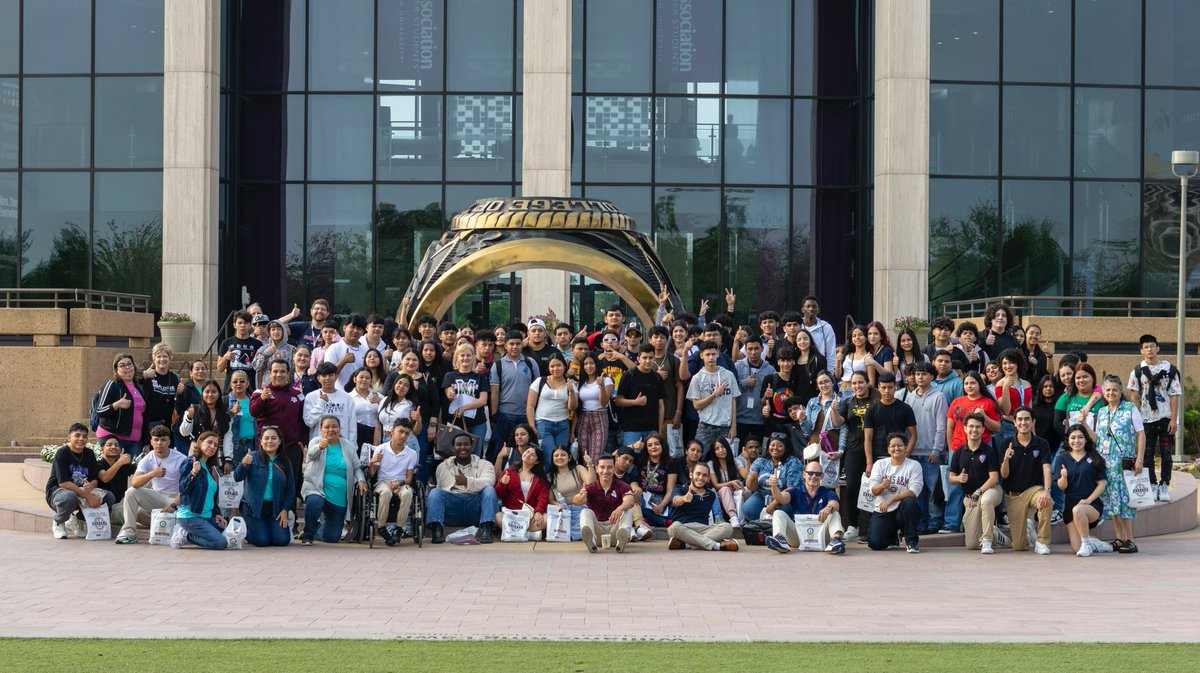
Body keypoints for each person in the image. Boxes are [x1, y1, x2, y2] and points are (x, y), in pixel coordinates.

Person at [1088, 375, 1145, 553]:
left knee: (1125, 502)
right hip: (1106, 464)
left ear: (1121, 392)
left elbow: (1141, 434)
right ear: (1103, 393)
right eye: (1108, 390)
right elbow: (1098, 439)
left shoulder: (1130, 408)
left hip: (1125, 464)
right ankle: (1119, 538)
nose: (1111, 393)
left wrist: (1140, 459)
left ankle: (1130, 540)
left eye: (1114, 389)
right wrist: (1084, 424)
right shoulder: (1102, 412)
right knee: (1113, 502)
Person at [1127, 334, 1181, 502]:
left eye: (1152, 346)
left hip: (1165, 417)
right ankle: (1152, 483)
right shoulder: (1137, 371)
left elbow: (1174, 395)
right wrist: (1135, 420)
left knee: (1166, 453)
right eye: (1146, 346)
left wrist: (1174, 419)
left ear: (1157, 348)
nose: (1149, 349)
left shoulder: (1169, 370)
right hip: (1145, 419)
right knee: (1147, 453)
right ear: (1141, 350)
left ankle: (1164, 483)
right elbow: (1134, 396)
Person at [299, 415, 367, 545]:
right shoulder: (316, 442)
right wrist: (320, 447)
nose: (331, 429)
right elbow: (310, 455)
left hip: (339, 496)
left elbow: (357, 467)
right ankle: (308, 535)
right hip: (316, 489)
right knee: (314, 501)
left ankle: (317, 529)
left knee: (332, 537)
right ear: (321, 429)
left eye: (334, 426)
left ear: (340, 429)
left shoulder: (348, 446)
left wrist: (361, 480)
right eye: (327, 427)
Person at [897, 362, 947, 535]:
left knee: (934, 491)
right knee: (918, 491)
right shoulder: (909, 397)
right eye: (917, 374)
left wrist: (936, 449)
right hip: (913, 452)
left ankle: (935, 522)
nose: (920, 377)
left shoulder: (938, 397)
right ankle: (921, 523)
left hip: (931, 454)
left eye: (924, 374)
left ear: (932, 376)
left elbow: (942, 426)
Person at [115, 424, 186, 544]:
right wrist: (153, 473)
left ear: (169, 441)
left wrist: (173, 505)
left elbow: (186, 488)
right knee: (132, 494)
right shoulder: (148, 458)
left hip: (175, 499)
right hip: (157, 497)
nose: (159, 443)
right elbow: (135, 483)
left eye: (163, 440)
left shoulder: (181, 459)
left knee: (139, 512)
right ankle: (129, 532)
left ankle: (173, 522)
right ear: (151, 442)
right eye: (156, 440)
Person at [427, 434, 499, 544]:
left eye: (466, 444)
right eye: (458, 445)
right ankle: (437, 530)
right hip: (453, 508)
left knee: (489, 490)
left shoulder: (485, 464)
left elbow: (489, 482)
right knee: (435, 493)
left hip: (475, 506)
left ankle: (486, 529)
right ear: (452, 448)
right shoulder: (442, 466)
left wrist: (467, 481)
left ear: (473, 446)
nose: (463, 447)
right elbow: (441, 490)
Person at [250, 359, 307, 499]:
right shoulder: (260, 392)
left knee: (290, 486)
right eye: (275, 371)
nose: (279, 374)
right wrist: (262, 399)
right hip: (267, 448)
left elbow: (303, 420)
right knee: (266, 485)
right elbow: (253, 411)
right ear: (269, 373)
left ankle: (289, 517)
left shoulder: (297, 394)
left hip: (291, 448)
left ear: (288, 374)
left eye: (282, 371)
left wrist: (303, 441)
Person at [1053, 424, 1113, 557]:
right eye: (1073, 438)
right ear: (1068, 440)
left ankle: (1086, 542)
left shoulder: (1094, 457)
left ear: (1086, 439)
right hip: (1070, 505)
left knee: (1078, 510)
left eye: (1080, 437)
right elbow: (1061, 486)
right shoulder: (1062, 458)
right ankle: (1092, 543)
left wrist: (1088, 500)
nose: (1076, 441)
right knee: (1076, 548)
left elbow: (1102, 484)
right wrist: (1063, 476)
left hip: (1091, 504)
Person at [830, 370, 876, 540]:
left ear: (867, 383)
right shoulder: (848, 402)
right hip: (854, 450)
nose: (857, 386)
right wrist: (834, 410)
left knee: (874, 488)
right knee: (852, 488)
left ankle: (872, 526)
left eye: (861, 382)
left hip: (874, 450)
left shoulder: (875, 401)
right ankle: (853, 526)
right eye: (854, 383)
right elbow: (838, 422)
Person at [764, 458, 845, 554]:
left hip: (822, 537)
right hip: (798, 537)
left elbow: (835, 503)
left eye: (818, 474)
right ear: (804, 474)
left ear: (822, 476)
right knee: (778, 513)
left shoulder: (827, 492)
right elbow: (781, 498)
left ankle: (835, 541)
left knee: (834, 513)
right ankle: (779, 540)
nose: (814, 476)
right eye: (810, 473)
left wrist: (828, 508)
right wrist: (773, 486)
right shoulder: (796, 491)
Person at [1000, 407, 1053, 554]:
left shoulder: (1041, 443)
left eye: (1027, 419)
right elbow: (1004, 475)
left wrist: (1047, 491)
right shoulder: (1006, 443)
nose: (1024, 422)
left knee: (1046, 501)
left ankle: (1042, 541)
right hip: (1013, 494)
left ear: (1033, 422)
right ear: (1015, 423)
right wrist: (1006, 459)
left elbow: (1047, 469)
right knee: (1019, 546)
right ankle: (1028, 527)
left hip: (1034, 490)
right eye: (1020, 419)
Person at [949, 413, 1003, 554]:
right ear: (965, 428)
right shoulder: (959, 452)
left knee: (986, 500)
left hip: (991, 491)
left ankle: (987, 539)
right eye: (971, 426)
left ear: (983, 429)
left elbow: (994, 478)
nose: (974, 430)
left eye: (978, 427)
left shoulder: (989, 451)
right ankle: (994, 532)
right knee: (972, 545)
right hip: (970, 499)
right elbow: (950, 477)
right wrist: (958, 478)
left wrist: (978, 492)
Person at [233, 426, 294, 547]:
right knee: (262, 541)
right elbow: (237, 477)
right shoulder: (253, 457)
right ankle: (248, 530)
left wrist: (285, 509)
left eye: (273, 438)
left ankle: (268, 529)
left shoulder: (285, 461)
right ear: (260, 441)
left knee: (282, 541)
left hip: (275, 509)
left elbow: (291, 488)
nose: (269, 441)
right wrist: (244, 464)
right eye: (266, 438)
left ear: (279, 441)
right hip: (253, 509)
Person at [45, 423, 109, 539]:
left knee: (108, 497)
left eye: (84, 436)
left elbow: (94, 479)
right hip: (59, 492)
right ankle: (59, 522)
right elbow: (63, 482)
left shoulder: (89, 454)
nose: (81, 439)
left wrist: (91, 486)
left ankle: (76, 521)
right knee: (70, 497)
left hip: (82, 492)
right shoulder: (62, 453)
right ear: (69, 438)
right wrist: (88, 496)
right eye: (77, 435)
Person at [865, 433, 924, 553]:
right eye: (893, 446)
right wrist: (882, 486)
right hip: (883, 509)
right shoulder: (880, 464)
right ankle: (893, 536)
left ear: (906, 447)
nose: (896, 448)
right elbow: (873, 491)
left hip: (902, 510)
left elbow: (914, 491)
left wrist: (892, 499)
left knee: (910, 503)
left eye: (900, 445)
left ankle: (911, 542)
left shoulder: (914, 465)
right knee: (875, 544)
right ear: (888, 449)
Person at [174, 432, 229, 549]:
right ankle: (184, 535)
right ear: (200, 443)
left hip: (207, 516)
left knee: (227, 536)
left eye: (215, 445)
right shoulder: (190, 462)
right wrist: (193, 473)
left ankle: (191, 533)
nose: (212, 446)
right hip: (190, 516)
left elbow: (210, 496)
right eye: (209, 442)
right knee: (220, 543)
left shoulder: (209, 467)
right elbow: (183, 489)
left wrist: (217, 514)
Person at [666, 462, 739, 551]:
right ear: (691, 474)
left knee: (727, 527)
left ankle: (687, 545)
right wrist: (683, 498)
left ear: (708, 479)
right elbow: (676, 500)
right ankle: (717, 546)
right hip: (683, 528)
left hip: (703, 529)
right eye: (698, 474)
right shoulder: (680, 489)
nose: (700, 478)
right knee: (674, 527)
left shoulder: (711, 495)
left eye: (704, 475)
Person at [490, 331, 540, 456]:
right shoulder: (498, 365)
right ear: (505, 345)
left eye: (518, 343)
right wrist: (494, 415)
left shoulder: (531, 363)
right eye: (511, 344)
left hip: (526, 415)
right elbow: (494, 393)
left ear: (522, 345)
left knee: (526, 451)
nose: (514, 347)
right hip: (506, 415)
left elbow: (537, 390)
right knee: (505, 450)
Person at [368, 421, 419, 546]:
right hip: (383, 481)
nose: (403, 436)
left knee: (407, 493)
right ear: (392, 432)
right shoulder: (381, 449)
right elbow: (371, 475)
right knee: (385, 492)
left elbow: (409, 479)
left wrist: (399, 483)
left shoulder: (411, 453)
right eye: (400, 432)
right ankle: (381, 527)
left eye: (406, 433)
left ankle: (399, 528)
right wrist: (372, 463)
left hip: (401, 482)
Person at [573, 454, 636, 553]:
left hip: (615, 531)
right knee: (585, 511)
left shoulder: (622, 485)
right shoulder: (591, 487)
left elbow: (630, 501)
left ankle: (622, 542)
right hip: (598, 533)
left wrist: (620, 509)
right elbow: (576, 501)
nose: (605, 471)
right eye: (602, 467)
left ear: (614, 469)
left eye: (609, 467)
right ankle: (591, 541)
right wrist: (581, 497)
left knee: (627, 510)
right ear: (597, 469)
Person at [687, 340, 741, 450]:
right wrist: (714, 394)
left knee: (725, 459)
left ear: (718, 354)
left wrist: (734, 426)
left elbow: (733, 400)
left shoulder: (728, 375)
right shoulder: (697, 378)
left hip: (725, 426)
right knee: (700, 457)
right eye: (707, 354)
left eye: (713, 354)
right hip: (705, 425)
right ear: (702, 356)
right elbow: (696, 405)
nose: (711, 357)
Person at [862, 373, 917, 477]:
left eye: (890, 387)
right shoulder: (872, 410)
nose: (887, 391)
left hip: (899, 456)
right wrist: (869, 463)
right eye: (883, 387)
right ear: (878, 388)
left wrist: (906, 454)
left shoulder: (905, 408)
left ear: (895, 387)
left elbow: (913, 434)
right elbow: (868, 438)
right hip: (878, 457)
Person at [527, 352, 578, 464]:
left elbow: (572, 407)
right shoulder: (540, 381)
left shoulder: (571, 384)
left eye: (559, 365)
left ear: (565, 366)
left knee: (562, 458)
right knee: (549, 457)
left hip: (563, 425)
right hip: (543, 424)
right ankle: (547, 480)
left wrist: (571, 392)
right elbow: (530, 405)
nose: (556, 369)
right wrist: (532, 426)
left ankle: (558, 481)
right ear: (548, 367)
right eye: (552, 366)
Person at [95, 352, 148, 458]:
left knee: (126, 472)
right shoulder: (112, 384)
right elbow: (100, 410)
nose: (127, 367)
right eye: (122, 365)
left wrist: (145, 441)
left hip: (133, 439)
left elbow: (143, 416)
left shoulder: (138, 387)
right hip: (113, 437)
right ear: (116, 370)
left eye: (130, 364)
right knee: (114, 471)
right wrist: (116, 404)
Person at [494, 443, 551, 540]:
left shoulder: (540, 479)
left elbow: (543, 498)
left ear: (537, 462)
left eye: (532, 455)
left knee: (547, 518)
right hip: (513, 514)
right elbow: (499, 494)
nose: (528, 455)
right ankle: (529, 534)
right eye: (527, 452)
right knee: (498, 517)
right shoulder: (510, 471)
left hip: (530, 515)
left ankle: (517, 534)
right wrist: (502, 483)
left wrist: (538, 512)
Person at [614, 345, 668, 448]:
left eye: (651, 358)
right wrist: (635, 402)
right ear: (638, 359)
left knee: (650, 459)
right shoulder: (629, 375)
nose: (648, 361)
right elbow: (618, 401)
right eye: (644, 357)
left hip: (652, 429)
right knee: (631, 458)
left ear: (654, 359)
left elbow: (661, 406)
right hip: (631, 429)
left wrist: (659, 431)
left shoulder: (657, 377)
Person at [742, 433, 803, 521]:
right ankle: (761, 528)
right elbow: (751, 487)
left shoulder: (793, 462)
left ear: (786, 447)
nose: (775, 448)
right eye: (772, 445)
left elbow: (793, 488)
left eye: (780, 446)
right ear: (768, 446)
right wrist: (752, 478)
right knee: (748, 509)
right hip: (762, 495)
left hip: (784, 498)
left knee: (781, 513)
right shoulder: (760, 461)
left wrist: (774, 503)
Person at [443, 343, 490, 457]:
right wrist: (451, 394)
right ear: (457, 357)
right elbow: (449, 394)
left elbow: (483, 400)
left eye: (468, 355)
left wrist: (464, 408)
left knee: (475, 456)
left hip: (477, 424)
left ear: (474, 357)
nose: (465, 358)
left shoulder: (480, 377)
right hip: (456, 424)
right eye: (462, 355)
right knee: (455, 455)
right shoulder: (449, 376)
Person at [304, 361, 358, 450]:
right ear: (318, 378)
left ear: (336, 376)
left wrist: (352, 447)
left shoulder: (347, 398)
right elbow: (309, 422)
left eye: (331, 375)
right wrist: (320, 403)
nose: (328, 378)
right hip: (319, 446)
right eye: (324, 376)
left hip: (342, 446)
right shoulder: (311, 397)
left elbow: (352, 426)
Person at [177, 380, 233, 464]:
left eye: (214, 392)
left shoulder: (224, 414)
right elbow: (184, 433)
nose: (210, 395)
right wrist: (189, 417)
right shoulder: (194, 409)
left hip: (215, 454)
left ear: (219, 394)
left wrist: (228, 459)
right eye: (207, 392)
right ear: (202, 394)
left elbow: (228, 436)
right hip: (196, 453)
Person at [546, 445, 592, 541]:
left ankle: (579, 534)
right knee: (562, 531)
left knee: (585, 524)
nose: (559, 458)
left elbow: (591, 483)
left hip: (580, 508)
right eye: (556, 456)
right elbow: (550, 499)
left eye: (563, 455)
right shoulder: (550, 476)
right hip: (563, 511)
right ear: (552, 459)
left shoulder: (578, 469)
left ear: (569, 457)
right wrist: (557, 505)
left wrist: (590, 465)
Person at [574, 353, 613, 467]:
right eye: (586, 364)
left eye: (591, 363)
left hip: (600, 418)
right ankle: (586, 484)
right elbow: (577, 407)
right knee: (584, 457)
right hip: (583, 419)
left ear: (596, 364)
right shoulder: (581, 382)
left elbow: (604, 402)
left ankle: (594, 484)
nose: (589, 366)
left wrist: (601, 386)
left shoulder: (606, 380)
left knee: (596, 457)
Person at [735, 337, 775, 442]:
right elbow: (730, 391)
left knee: (757, 451)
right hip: (740, 418)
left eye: (756, 348)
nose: (753, 352)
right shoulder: (737, 366)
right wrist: (744, 383)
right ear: (746, 350)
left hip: (760, 419)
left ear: (762, 349)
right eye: (750, 349)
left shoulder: (770, 369)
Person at [140, 343, 180, 444]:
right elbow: (128, 377)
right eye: (159, 356)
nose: (162, 359)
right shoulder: (148, 375)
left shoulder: (175, 378)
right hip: (149, 424)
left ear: (170, 358)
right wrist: (143, 375)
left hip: (167, 425)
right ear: (154, 358)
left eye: (165, 356)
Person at [323, 313, 370, 391]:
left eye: (359, 328)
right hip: (339, 394)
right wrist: (344, 360)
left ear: (363, 332)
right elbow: (327, 373)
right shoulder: (334, 348)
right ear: (344, 328)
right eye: (352, 327)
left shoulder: (365, 351)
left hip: (360, 396)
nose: (355, 331)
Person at [216, 311, 262, 390]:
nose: (243, 325)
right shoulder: (226, 343)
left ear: (250, 325)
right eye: (240, 323)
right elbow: (219, 369)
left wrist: (259, 388)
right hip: (230, 389)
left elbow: (260, 369)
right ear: (234, 325)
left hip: (250, 388)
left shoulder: (257, 344)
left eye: (246, 323)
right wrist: (225, 357)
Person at [96, 435, 135, 526]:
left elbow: (141, 472)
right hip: (107, 509)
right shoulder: (98, 464)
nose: (113, 447)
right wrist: (119, 462)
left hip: (121, 504)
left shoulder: (124, 465)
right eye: (109, 445)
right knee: (131, 513)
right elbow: (105, 478)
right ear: (102, 448)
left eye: (116, 445)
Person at [706, 436, 744, 527]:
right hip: (720, 494)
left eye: (723, 447)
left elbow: (746, 475)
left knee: (748, 490)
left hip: (735, 490)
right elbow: (715, 485)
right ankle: (733, 517)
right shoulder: (710, 464)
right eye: (717, 448)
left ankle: (746, 518)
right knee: (725, 489)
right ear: (713, 451)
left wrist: (747, 460)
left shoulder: (735, 461)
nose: (721, 450)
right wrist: (730, 483)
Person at [225, 370, 257, 468]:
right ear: (230, 384)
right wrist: (231, 412)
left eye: (242, 381)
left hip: (251, 446)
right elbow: (221, 423)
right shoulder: (224, 401)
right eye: (235, 382)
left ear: (247, 384)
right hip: (234, 447)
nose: (238, 384)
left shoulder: (254, 401)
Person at [799, 296, 837, 375]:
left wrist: (829, 373)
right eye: (808, 306)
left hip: (820, 369)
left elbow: (831, 354)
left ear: (818, 310)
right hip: (800, 368)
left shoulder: (826, 327)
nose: (811, 309)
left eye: (814, 306)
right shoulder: (796, 326)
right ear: (802, 309)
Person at [252, 320, 295, 388]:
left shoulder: (292, 349)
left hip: (286, 388)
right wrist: (267, 353)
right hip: (267, 388)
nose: (276, 332)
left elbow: (294, 370)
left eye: (279, 329)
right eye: (273, 329)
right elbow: (256, 366)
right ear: (269, 332)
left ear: (283, 331)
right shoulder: (263, 349)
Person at [348, 368, 382, 452]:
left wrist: (379, 401)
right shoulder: (348, 397)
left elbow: (389, 409)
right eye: (361, 377)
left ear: (371, 380)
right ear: (355, 379)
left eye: (367, 378)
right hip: (356, 432)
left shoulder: (378, 395)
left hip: (375, 433)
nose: (364, 380)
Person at [837, 325, 875, 395]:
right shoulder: (847, 355)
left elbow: (871, 382)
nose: (857, 337)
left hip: (855, 392)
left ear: (866, 338)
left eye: (860, 335)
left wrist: (861, 393)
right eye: (854, 336)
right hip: (841, 390)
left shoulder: (868, 357)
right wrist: (838, 360)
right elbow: (838, 375)